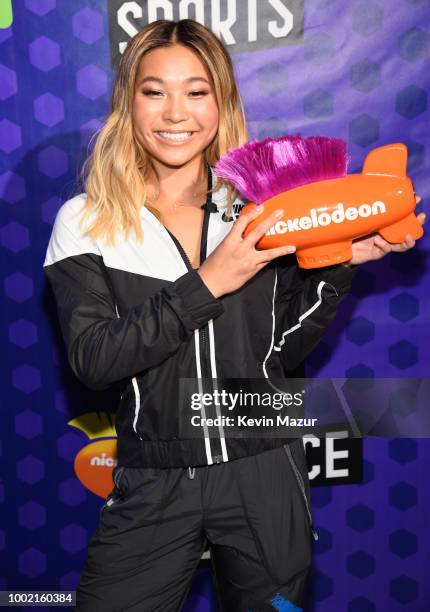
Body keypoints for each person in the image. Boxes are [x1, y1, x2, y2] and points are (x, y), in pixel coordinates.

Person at [43, 19, 424, 612]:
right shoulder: (86, 218)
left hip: (264, 468)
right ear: (129, 101)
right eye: (154, 91)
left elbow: (283, 349)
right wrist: (209, 281)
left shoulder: (260, 209)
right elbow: (95, 359)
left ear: (221, 103)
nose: (175, 113)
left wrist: (341, 264)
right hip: (157, 477)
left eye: (196, 92)